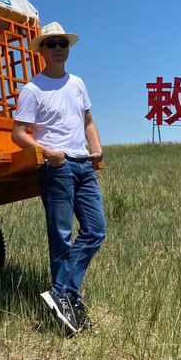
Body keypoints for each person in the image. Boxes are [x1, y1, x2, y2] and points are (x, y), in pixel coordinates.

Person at [11, 21, 106, 335]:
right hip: (57, 167)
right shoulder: (33, 89)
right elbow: (18, 133)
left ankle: (60, 292)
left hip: (83, 165)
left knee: (95, 230)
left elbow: (88, 121)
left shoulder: (77, 83)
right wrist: (48, 152)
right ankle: (68, 305)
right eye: (51, 44)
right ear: (41, 50)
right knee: (62, 237)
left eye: (62, 43)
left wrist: (96, 148)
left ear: (68, 48)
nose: (58, 49)